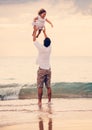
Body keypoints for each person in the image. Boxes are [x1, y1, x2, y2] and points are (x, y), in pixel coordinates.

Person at [33, 28, 52, 106]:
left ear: (43, 42)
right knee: (48, 86)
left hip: (42, 70)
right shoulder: (49, 48)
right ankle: (49, 101)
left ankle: (40, 102)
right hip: (48, 69)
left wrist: (35, 31)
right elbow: (48, 40)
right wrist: (44, 33)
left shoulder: (41, 48)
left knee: (40, 86)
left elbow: (34, 40)